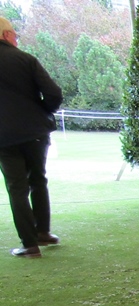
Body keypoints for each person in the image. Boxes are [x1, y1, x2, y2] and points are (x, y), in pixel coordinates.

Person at [0, 16, 63, 258]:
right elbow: (54, 93)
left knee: (17, 188)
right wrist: (42, 111)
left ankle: (29, 244)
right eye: (15, 35)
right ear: (6, 35)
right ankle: (43, 232)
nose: (16, 39)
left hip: (4, 137)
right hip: (35, 132)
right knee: (38, 180)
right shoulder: (25, 59)